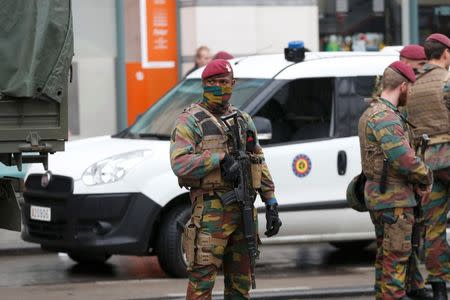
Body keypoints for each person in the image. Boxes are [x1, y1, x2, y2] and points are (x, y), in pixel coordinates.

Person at [170, 59, 282, 299]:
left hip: (244, 213)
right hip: (211, 212)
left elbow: (258, 160)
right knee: (201, 284)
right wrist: (219, 158)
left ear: (233, 84)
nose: (219, 87)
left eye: (224, 82)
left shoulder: (243, 120)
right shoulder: (190, 120)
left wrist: (271, 201)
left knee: (241, 286)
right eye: (213, 82)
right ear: (203, 85)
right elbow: (179, 163)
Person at [358, 61, 433, 300]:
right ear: (402, 86)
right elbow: (405, 160)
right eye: (410, 87)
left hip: (383, 198)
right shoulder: (386, 118)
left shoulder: (371, 112)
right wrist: (427, 176)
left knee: (386, 259)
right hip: (395, 201)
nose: (410, 93)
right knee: (395, 264)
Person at [406, 33, 450, 300]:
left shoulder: (412, 85)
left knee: (433, 228)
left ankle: (439, 287)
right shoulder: (447, 81)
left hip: (426, 166)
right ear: (445, 53)